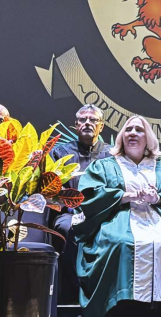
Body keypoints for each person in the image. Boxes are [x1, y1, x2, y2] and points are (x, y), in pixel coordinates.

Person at [74, 115, 161, 317]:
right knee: (121, 242)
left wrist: (158, 198)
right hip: (117, 218)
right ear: (121, 136)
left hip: (157, 219)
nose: (133, 133)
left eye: (139, 130)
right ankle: (120, 305)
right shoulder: (105, 166)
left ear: (148, 138)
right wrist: (123, 196)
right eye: (128, 129)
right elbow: (90, 196)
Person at [50, 104, 113, 304]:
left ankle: (106, 296)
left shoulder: (112, 155)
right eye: (82, 119)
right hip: (69, 213)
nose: (87, 123)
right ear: (76, 125)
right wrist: (72, 209)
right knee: (66, 228)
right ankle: (71, 297)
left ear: (101, 126)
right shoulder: (61, 153)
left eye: (93, 120)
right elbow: (52, 189)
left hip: (105, 213)